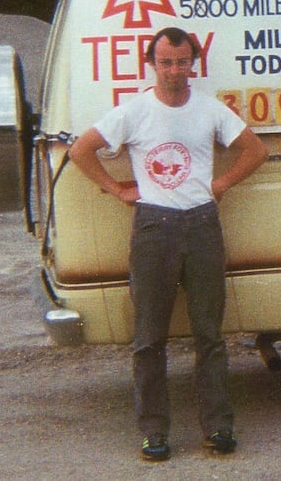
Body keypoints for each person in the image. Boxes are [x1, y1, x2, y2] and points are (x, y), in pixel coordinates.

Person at [68, 27, 268, 461]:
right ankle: (154, 432)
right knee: (149, 337)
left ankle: (218, 428)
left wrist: (221, 184)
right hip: (154, 228)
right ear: (152, 64)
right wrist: (117, 190)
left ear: (192, 63)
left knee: (209, 335)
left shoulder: (210, 110)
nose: (174, 71)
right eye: (166, 63)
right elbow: (80, 151)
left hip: (201, 224)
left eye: (182, 62)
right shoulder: (134, 111)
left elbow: (255, 150)